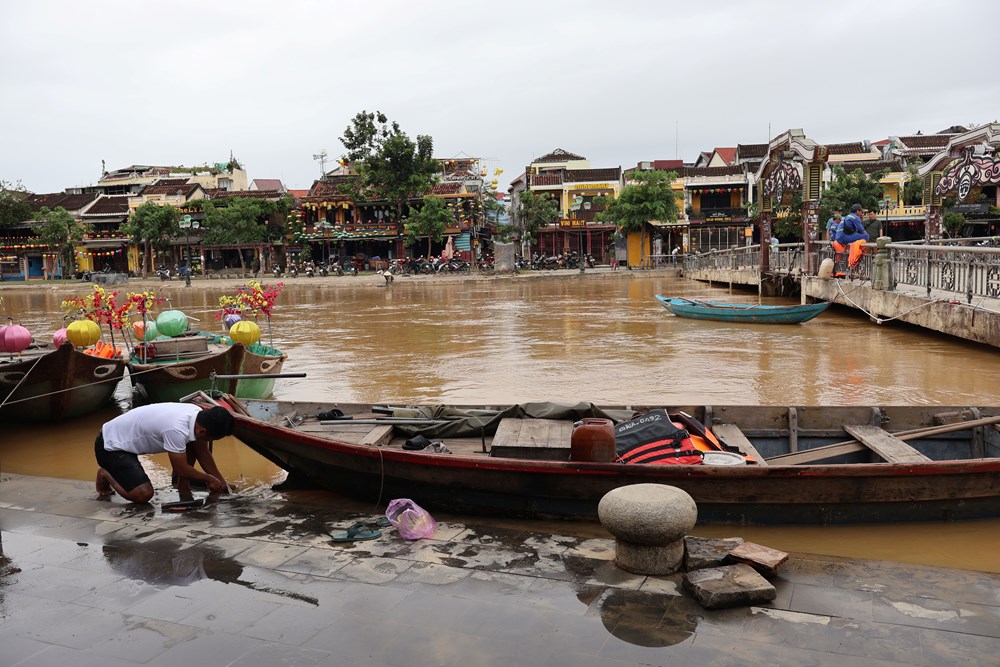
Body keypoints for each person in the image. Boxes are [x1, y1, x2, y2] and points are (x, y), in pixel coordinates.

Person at [95, 404, 234, 503]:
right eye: (210, 439)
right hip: (110, 446)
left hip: (124, 438)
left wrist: (222, 483)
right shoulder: (176, 429)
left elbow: (202, 452)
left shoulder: (197, 414)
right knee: (143, 495)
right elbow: (180, 469)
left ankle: (183, 486)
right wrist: (209, 479)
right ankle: (105, 474)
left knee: (194, 442)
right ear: (202, 431)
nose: (208, 441)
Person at [833, 204, 870, 269]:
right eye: (861, 211)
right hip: (844, 237)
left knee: (859, 237)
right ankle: (858, 259)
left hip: (839, 238)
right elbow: (862, 230)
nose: (861, 213)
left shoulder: (847, 216)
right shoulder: (855, 217)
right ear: (857, 211)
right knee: (866, 236)